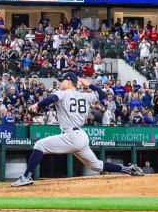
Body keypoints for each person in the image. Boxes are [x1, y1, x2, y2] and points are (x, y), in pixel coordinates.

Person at [12, 72, 144, 187]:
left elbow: (52, 98)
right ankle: (127, 169)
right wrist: (89, 85)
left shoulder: (63, 94)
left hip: (71, 135)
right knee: (96, 166)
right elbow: (102, 95)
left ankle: (26, 176)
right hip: (81, 135)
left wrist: (37, 105)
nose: (60, 83)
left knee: (40, 145)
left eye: (62, 80)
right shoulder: (84, 96)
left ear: (69, 81)